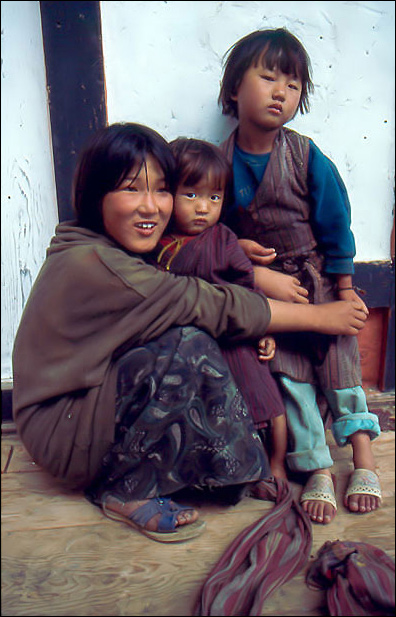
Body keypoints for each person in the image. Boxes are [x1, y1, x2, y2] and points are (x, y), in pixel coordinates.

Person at [12, 122, 369, 543]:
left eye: (162, 190)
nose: (152, 207)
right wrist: (321, 317)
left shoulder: (98, 242)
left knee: (194, 348)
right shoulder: (97, 264)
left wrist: (240, 255)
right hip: (66, 432)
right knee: (190, 343)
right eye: (131, 190)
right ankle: (123, 489)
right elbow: (208, 301)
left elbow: (191, 267)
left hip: (83, 401)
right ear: (95, 196)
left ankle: (222, 465)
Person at [218, 27, 382, 524]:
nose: (280, 92)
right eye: (267, 78)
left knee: (341, 372)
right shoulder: (217, 166)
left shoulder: (306, 156)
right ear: (233, 90)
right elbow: (215, 239)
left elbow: (337, 226)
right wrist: (250, 267)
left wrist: (347, 292)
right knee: (292, 380)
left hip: (322, 282)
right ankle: (316, 470)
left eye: (292, 85)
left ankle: (363, 458)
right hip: (272, 292)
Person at [152, 136, 288, 478]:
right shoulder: (154, 242)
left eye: (214, 197)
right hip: (191, 344)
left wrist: (264, 329)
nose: (203, 208)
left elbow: (247, 287)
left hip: (234, 333)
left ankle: (275, 465)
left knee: (265, 398)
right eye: (191, 195)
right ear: (168, 193)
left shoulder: (223, 239)